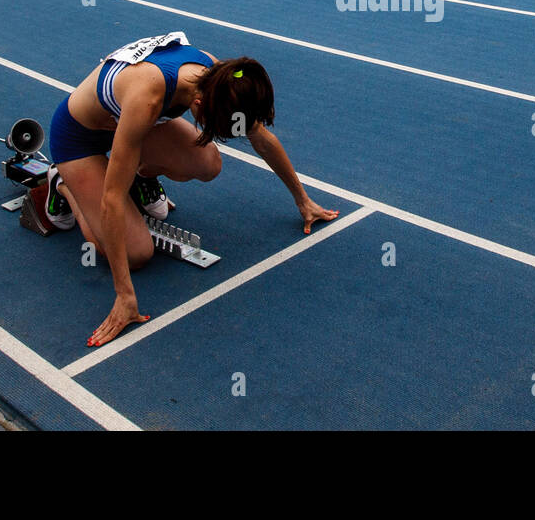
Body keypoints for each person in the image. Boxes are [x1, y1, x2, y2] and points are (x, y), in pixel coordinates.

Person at [45, 32, 339, 346]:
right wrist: (125, 296)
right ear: (198, 104)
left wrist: (302, 200)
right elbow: (112, 199)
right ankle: (63, 185)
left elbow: (260, 137)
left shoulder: (219, 79)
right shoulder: (149, 96)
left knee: (207, 161)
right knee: (137, 254)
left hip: (129, 128)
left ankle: (139, 174)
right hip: (80, 140)